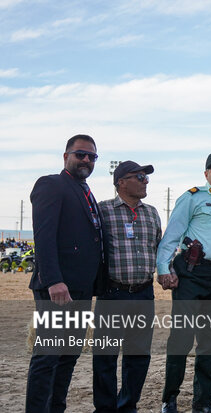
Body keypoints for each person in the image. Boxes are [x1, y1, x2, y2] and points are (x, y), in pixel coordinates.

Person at [157, 152, 211, 413]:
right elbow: (171, 235)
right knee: (182, 340)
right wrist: (163, 268)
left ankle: (204, 403)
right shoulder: (192, 197)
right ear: (206, 173)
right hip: (190, 275)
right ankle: (169, 400)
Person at [26, 134, 106, 413]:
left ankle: (55, 408)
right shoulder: (52, 184)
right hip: (57, 289)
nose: (86, 160)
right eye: (80, 154)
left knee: (68, 356)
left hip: (81, 289)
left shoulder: (85, 191)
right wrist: (54, 280)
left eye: (91, 156)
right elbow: (43, 237)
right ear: (66, 156)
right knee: (48, 356)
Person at [93, 161, 161, 413]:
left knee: (138, 357)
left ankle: (127, 405)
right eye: (140, 176)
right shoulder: (103, 211)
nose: (146, 181)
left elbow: (158, 247)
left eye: (146, 177)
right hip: (112, 294)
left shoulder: (152, 213)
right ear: (121, 181)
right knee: (105, 358)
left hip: (144, 294)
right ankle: (105, 408)